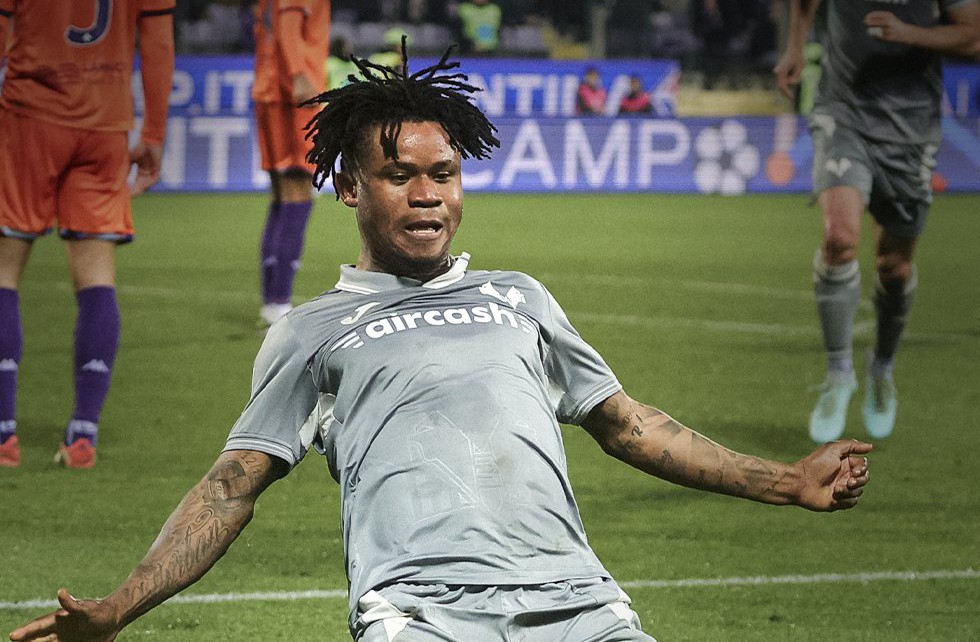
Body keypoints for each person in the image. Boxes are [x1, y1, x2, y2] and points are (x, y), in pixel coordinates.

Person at [9, 45, 872, 642]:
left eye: (444, 174)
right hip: (421, 615)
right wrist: (120, 607)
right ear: (349, 187)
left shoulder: (519, 297)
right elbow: (230, 488)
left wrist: (789, 481)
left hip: (581, 605)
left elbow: (630, 426)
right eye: (400, 175)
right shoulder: (311, 331)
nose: (428, 195)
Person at [774, 0, 980, 444]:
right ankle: (838, 374)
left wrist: (910, 33)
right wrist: (796, 45)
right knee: (839, 239)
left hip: (911, 125)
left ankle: (881, 367)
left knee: (895, 267)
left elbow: (973, 36)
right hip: (842, 109)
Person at [0, 0, 175, 469]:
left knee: (4, 271)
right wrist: (154, 133)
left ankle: (4, 435)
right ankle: (83, 435)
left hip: (28, 117)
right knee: (97, 277)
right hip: (105, 124)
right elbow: (158, 42)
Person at [253, 0, 331, 327]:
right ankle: (279, 302)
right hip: (291, 95)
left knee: (283, 197)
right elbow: (288, 25)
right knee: (299, 194)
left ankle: (272, 300)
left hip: (270, 88)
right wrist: (299, 75)